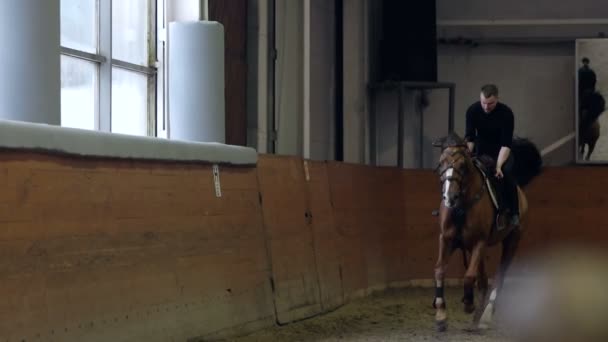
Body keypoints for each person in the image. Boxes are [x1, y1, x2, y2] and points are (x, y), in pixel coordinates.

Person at [464, 84, 519, 227]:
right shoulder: (472, 110)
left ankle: (514, 213)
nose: (486, 107)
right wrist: (467, 154)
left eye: (491, 103)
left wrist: (499, 166)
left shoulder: (506, 113)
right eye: (483, 103)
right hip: (480, 152)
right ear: (480, 99)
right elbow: (470, 138)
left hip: (501, 152)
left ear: (497, 99)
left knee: (505, 175)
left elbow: (506, 144)